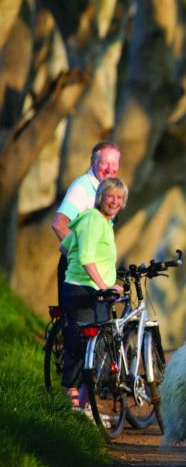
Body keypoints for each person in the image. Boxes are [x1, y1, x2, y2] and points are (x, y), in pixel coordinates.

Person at [59, 177, 127, 412]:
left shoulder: (105, 223)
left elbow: (65, 246)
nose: (115, 201)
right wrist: (103, 285)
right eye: (110, 196)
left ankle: (88, 407)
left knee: (99, 347)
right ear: (100, 197)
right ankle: (71, 399)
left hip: (97, 292)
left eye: (119, 198)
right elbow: (87, 258)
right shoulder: (91, 219)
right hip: (82, 290)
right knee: (79, 345)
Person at [51, 141, 121, 303]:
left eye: (114, 164)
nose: (110, 169)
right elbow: (59, 224)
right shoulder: (82, 187)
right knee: (80, 325)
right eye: (105, 163)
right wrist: (80, 256)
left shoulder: (106, 191)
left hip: (94, 272)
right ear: (92, 162)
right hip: (80, 273)